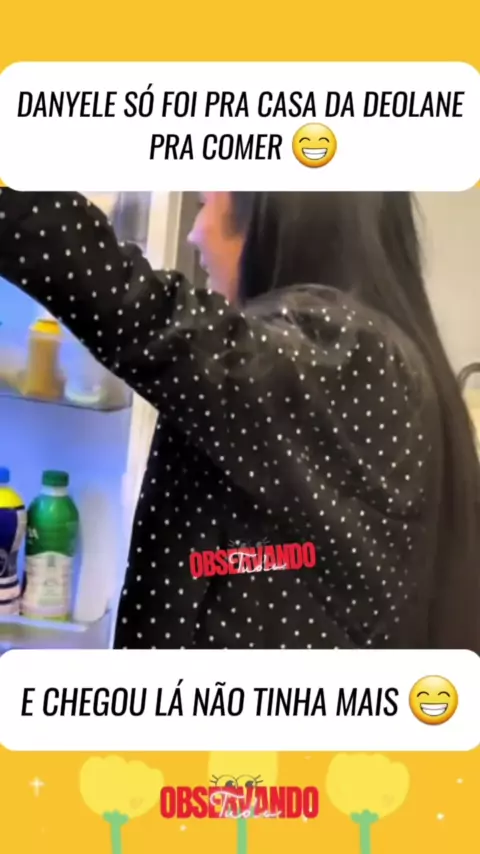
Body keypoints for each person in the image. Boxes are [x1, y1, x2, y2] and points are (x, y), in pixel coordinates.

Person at [0, 189, 478, 651]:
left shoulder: (353, 356)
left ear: (285, 216)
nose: (195, 233)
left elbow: (147, 319)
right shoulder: (355, 362)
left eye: (206, 204)